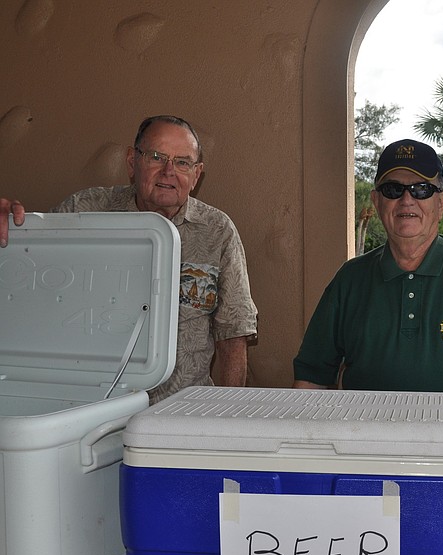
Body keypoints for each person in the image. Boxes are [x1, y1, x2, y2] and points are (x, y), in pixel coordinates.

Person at [292, 139, 443, 444]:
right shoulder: (350, 278)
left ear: (442, 202)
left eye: (422, 189)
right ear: (377, 202)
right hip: (365, 453)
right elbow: (313, 376)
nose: (407, 200)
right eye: (393, 189)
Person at [0, 115, 258, 402]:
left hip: (181, 411)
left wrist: (226, 416)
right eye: (156, 157)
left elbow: (233, 334)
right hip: (91, 410)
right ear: (132, 163)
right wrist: (10, 231)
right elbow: (24, 285)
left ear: (196, 175)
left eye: (182, 162)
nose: (169, 171)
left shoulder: (217, 230)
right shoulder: (84, 210)